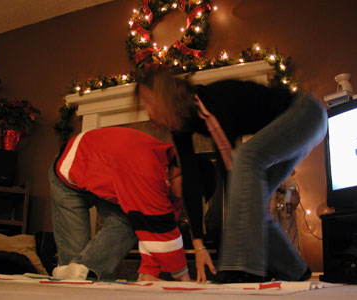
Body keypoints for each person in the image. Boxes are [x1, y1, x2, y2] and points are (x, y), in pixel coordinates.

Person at [134, 69, 328, 283]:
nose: (148, 111)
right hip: (301, 121)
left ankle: (244, 269)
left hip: (306, 113)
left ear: (166, 96)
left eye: (150, 102)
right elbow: (191, 182)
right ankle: (294, 270)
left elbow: (233, 171)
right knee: (252, 200)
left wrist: (233, 260)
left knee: (245, 160)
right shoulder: (182, 127)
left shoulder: (207, 104)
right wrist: (198, 246)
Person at [49, 126, 190, 281]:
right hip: (70, 175)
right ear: (177, 173)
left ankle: (83, 273)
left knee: (80, 267)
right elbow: (161, 227)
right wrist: (184, 276)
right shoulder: (147, 169)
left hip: (108, 181)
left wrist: (149, 273)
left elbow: (157, 228)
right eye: (187, 192)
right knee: (72, 259)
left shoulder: (173, 186)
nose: (186, 199)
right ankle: (72, 278)